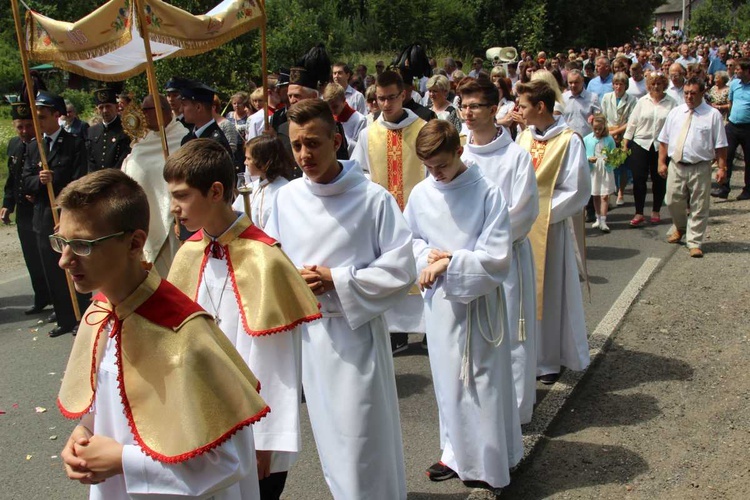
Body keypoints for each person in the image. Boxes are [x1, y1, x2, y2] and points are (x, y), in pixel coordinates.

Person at [55, 169, 269, 499]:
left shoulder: (185, 334)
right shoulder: (98, 317)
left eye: (82, 245)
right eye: (62, 242)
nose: (64, 261)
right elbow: (105, 409)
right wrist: (83, 433)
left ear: (135, 242)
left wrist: (124, 461)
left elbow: (231, 460)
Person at [264, 99, 415, 499]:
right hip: (308, 336)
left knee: (362, 439)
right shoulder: (287, 199)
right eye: (296, 146)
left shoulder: (372, 199)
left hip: (355, 335)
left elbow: (401, 269)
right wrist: (286, 275)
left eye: (313, 143)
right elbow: (270, 260)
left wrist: (337, 279)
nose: (304, 155)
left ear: (336, 140)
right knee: (331, 441)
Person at [165, 140, 320, 500]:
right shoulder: (188, 253)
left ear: (216, 191)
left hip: (253, 431)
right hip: (202, 420)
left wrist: (267, 440)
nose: (174, 207)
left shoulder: (265, 259)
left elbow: (278, 363)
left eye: (182, 196)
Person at [404, 120, 522, 492]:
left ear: (459, 152)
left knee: (481, 383)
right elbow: (411, 240)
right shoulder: (423, 194)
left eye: (441, 165)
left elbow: (497, 255)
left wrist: (451, 262)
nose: (435, 174)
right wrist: (428, 259)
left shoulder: (487, 192)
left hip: (478, 306)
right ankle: (454, 454)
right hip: (440, 304)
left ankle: (490, 462)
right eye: (429, 167)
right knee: (447, 382)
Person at [458, 77, 539, 425]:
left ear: (495, 110)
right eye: (463, 106)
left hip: (505, 259)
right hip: (468, 262)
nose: (468, 113)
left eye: (475, 106)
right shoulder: (459, 155)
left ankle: (517, 411)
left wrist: (486, 242)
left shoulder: (516, 156)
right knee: (473, 338)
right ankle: (480, 410)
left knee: (512, 334)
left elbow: (523, 211)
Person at [516, 80, 591, 384]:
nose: (518, 111)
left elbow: (576, 190)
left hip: (550, 229)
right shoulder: (522, 138)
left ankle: (548, 360)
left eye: (522, 106)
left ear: (540, 107)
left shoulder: (570, 141)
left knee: (549, 294)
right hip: (521, 230)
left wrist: (538, 211)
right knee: (523, 293)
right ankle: (524, 356)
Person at [351, 70, 427, 353]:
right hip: (385, 216)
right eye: (380, 98)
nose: (385, 104)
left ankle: (428, 331)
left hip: (419, 214)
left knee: (421, 263)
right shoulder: (369, 134)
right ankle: (397, 333)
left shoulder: (423, 128)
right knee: (389, 266)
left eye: (391, 97)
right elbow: (362, 173)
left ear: (403, 94)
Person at [22, 90, 90, 338]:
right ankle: (64, 317)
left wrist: (57, 180)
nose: (37, 122)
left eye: (41, 117)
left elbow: (80, 179)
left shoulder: (73, 144)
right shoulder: (34, 148)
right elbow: (25, 181)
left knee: (74, 266)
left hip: (67, 216)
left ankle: (82, 315)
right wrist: (39, 181)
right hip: (42, 218)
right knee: (52, 269)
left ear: (56, 116)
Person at [658, 77, 728, 258]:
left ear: (702, 93)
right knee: (672, 200)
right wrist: (661, 162)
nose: (689, 97)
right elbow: (664, 140)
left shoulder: (712, 115)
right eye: (686, 93)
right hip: (677, 165)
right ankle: (680, 228)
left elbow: (721, 145)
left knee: (699, 205)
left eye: (693, 93)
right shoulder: (675, 112)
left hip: (700, 166)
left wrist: (722, 168)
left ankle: (695, 241)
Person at [120, 94, 186, 276]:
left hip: (172, 221)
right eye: (142, 111)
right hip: (143, 218)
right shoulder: (141, 142)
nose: (143, 116)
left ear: (163, 111)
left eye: (147, 110)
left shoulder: (181, 138)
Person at [2, 102, 51, 315]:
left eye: (29, 126)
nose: (24, 131)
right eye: (20, 126)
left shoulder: (43, 144)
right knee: (31, 256)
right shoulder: (14, 144)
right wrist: (6, 204)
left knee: (46, 256)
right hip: (23, 209)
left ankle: (57, 299)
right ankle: (40, 297)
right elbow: (12, 178)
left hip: (40, 207)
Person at [623, 72, 677, 227]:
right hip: (641, 142)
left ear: (664, 85)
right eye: (653, 84)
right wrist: (626, 143)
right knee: (639, 178)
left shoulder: (671, 103)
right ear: (648, 86)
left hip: (661, 145)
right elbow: (632, 123)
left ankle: (656, 211)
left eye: (659, 83)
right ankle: (639, 212)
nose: (656, 86)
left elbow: (675, 125)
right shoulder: (642, 102)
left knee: (658, 178)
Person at [232, 136, 294, 229]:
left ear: (265, 162)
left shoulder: (284, 191)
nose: (245, 162)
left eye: (249, 159)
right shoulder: (252, 187)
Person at [712, 58, 750, 200]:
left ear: (747, 71)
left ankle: (748, 190)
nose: (736, 71)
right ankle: (724, 188)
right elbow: (731, 103)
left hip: (748, 128)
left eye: (738, 69)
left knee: (748, 160)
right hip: (733, 126)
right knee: (726, 157)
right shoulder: (734, 84)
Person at [601, 72, 637, 205]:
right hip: (609, 134)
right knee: (609, 166)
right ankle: (609, 193)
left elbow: (632, 121)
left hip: (624, 135)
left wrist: (617, 131)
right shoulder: (606, 97)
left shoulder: (632, 100)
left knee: (622, 166)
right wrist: (609, 131)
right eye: (616, 84)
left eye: (621, 84)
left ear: (626, 86)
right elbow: (602, 116)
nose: (618, 87)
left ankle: (621, 192)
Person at [584, 115, 617, 232]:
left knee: (605, 195)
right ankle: (598, 218)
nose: (597, 131)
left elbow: (614, 154)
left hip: (605, 168)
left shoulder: (609, 139)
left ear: (604, 127)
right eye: (595, 129)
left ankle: (603, 220)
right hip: (594, 169)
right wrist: (588, 158)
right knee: (596, 194)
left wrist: (610, 159)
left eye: (600, 129)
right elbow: (582, 153)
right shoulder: (587, 139)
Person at [87, 87, 131, 172]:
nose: (105, 110)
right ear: (97, 110)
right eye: (101, 107)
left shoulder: (126, 129)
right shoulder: (92, 131)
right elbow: (90, 160)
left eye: (108, 106)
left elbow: (124, 157)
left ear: (117, 107)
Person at [323, 82, 367, 155]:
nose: (332, 111)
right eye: (328, 107)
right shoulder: (326, 120)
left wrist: (342, 140)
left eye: (335, 107)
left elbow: (360, 149)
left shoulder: (360, 120)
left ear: (344, 101)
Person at [563, 69, 601, 138]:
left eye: (576, 82)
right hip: (568, 139)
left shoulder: (593, 98)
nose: (573, 85)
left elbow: (599, 118)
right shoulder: (563, 98)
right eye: (570, 83)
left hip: (587, 139)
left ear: (582, 81)